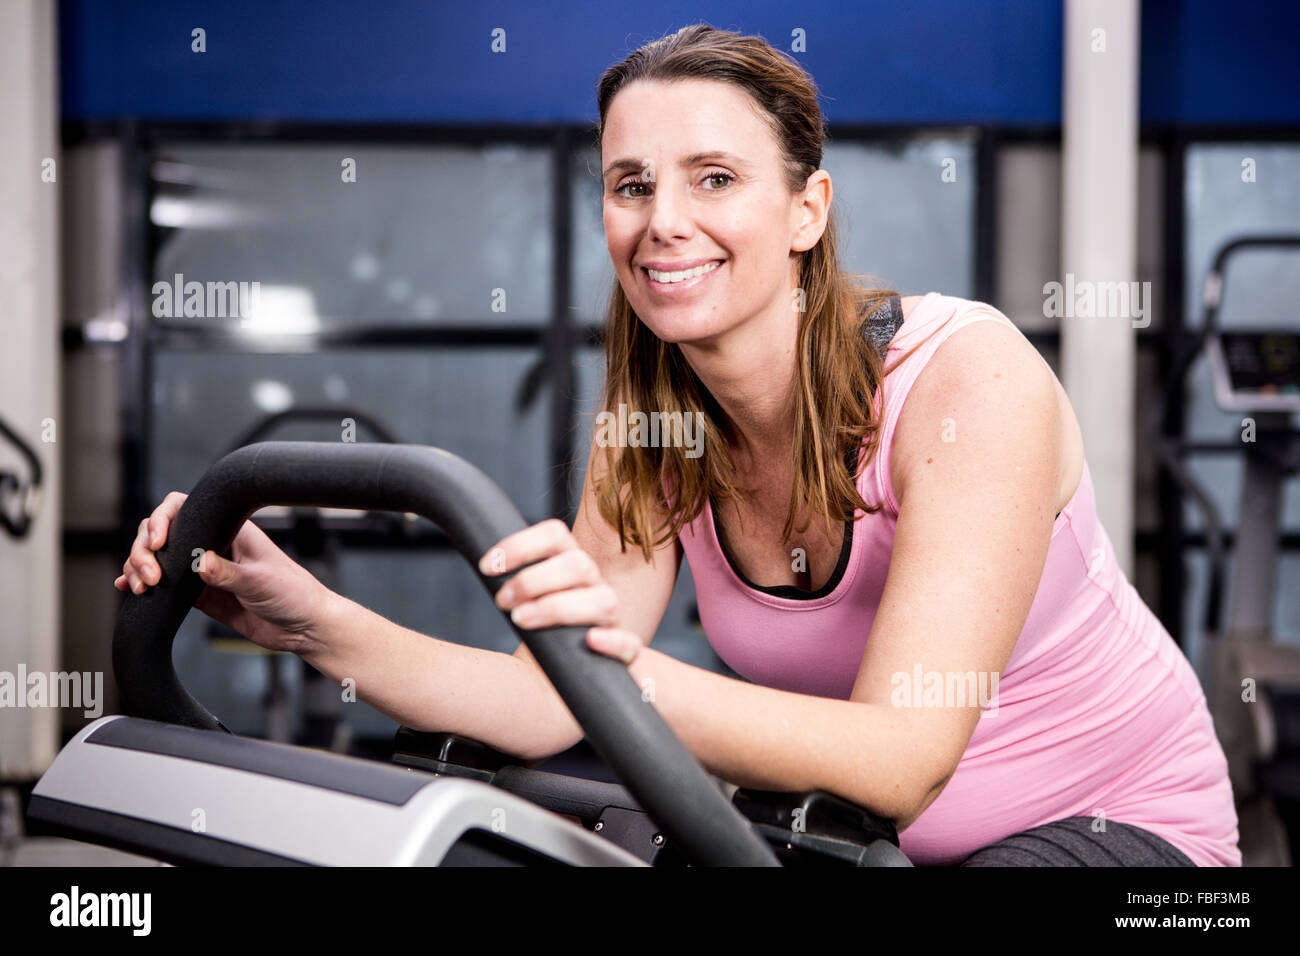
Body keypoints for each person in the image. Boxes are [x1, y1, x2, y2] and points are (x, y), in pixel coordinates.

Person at [115, 24, 1239, 866]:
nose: (664, 220)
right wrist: (307, 620)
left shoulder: (963, 379)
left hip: (1127, 833)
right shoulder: (649, 428)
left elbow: (902, 756)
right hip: (865, 846)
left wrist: (617, 668)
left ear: (805, 210)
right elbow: (547, 701)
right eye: (630, 184)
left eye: (715, 178)